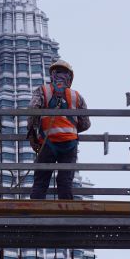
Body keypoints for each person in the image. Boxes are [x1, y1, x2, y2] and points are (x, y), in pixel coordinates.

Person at [27, 59, 90, 200]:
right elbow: (86, 123)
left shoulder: (43, 91)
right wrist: (71, 129)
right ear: (70, 77)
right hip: (70, 144)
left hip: (48, 142)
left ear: (52, 75)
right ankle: (66, 215)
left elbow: (32, 111)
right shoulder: (76, 96)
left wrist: (34, 134)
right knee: (65, 182)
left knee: (41, 181)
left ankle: (34, 215)